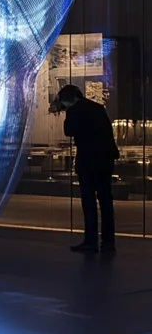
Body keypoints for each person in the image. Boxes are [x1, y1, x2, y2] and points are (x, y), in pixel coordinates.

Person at [50, 84, 119, 253]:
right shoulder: (98, 108)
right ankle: (108, 242)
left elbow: (68, 131)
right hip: (105, 160)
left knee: (88, 201)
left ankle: (90, 241)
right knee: (105, 200)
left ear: (68, 100)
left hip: (88, 161)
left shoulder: (74, 110)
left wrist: (67, 112)